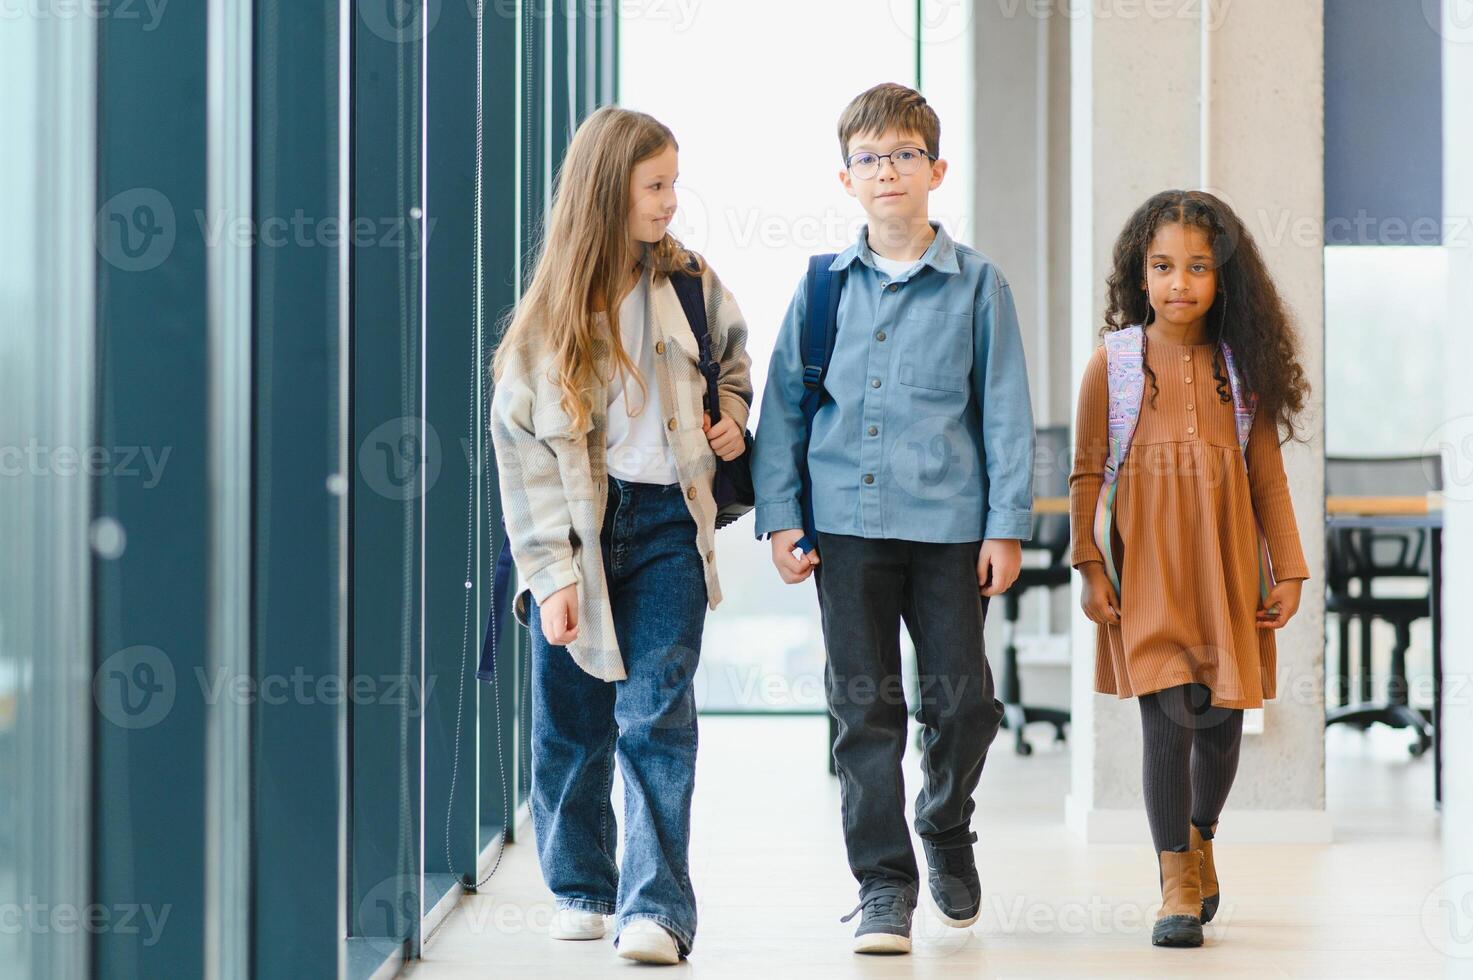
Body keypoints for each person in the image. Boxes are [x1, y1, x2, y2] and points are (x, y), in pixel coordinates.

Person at [752, 82, 1036, 955]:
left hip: (951, 533)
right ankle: (883, 885)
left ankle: (944, 825)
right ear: (847, 180)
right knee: (862, 713)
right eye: (868, 159)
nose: (887, 172)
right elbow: (786, 409)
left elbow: (1004, 413)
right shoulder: (821, 287)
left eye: (903, 155)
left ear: (935, 169)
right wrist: (779, 519)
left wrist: (1005, 525)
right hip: (845, 528)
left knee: (963, 705)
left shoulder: (978, 284)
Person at [490, 105, 752, 965]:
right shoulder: (550, 314)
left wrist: (732, 420)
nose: (672, 200)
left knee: (656, 715)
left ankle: (658, 908)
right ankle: (581, 884)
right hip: (578, 535)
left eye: (673, 182)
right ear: (609, 191)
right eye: (656, 185)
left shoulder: (693, 285)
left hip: (673, 523)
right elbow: (522, 458)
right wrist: (551, 574)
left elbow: (736, 366)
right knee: (570, 719)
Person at [1069, 189, 1312, 948]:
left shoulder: (1240, 371)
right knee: (1166, 721)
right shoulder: (1111, 363)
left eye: (1197, 267)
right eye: (1163, 266)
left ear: (1222, 277)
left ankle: (1201, 838)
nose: (1179, 282)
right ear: (1140, 275)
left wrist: (1291, 570)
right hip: (1145, 570)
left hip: (1227, 568)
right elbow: (1084, 472)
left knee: (1218, 724)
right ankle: (1173, 879)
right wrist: (1088, 565)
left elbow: (1266, 480)